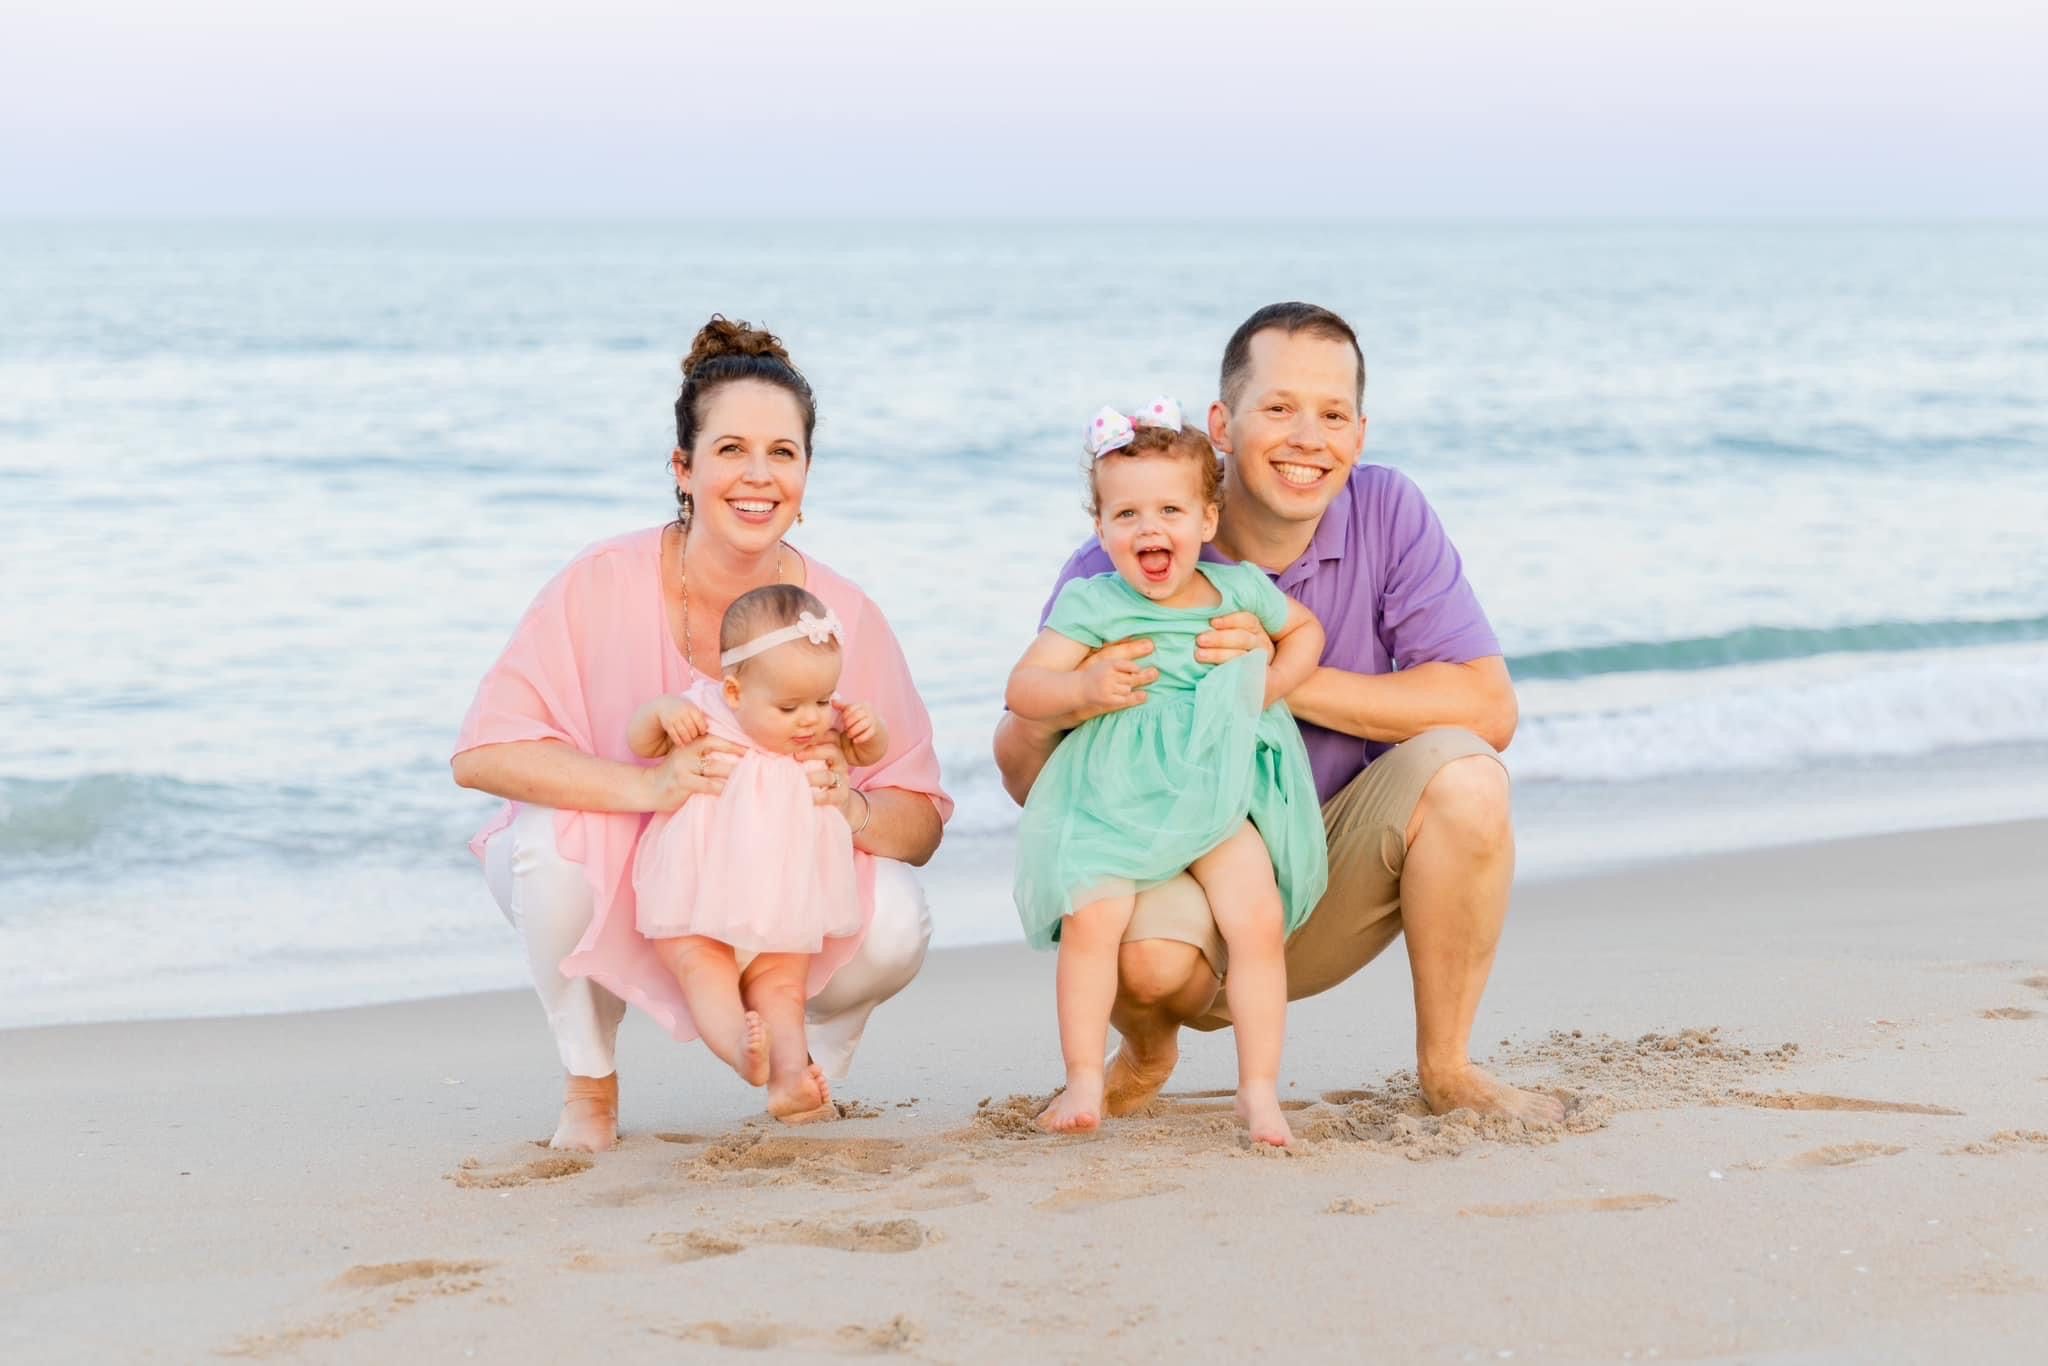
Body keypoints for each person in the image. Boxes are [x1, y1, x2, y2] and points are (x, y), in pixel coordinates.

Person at [992, 302, 1564, 1125]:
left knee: (1470, 778)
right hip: (1182, 865)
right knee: (1142, 955)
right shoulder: (1122, 566)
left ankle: (1448, 1068)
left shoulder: (1387, 511)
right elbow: (1023, 777)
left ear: (1360, 435)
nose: (1307, 438)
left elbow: (1488, 706)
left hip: (1331, 864)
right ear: (1222, 423)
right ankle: (1147, 1051)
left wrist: (1271, 675)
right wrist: (1080, 694)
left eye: (1333, 415)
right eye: (1279, 408)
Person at [453, 316, 951, 1151]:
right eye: (730, 451)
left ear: (807, 474)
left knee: (900, 916)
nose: (758, 477)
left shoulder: (842, 616)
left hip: (777, 889)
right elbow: (484, 754)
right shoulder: (599, 581)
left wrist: (851, 805)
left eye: (783, 453)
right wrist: (648, 786)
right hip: (636, 875)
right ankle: (590, 1083)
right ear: (683, 469)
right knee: (544, 845)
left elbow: (922, 819)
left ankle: (807, 1071)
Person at [1006, 400, 1327, 1146]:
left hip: (1218, 792)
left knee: (1256, 919)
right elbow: (1023, 689)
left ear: (1208, 521)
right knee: (1095, 919)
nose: (1150, 529)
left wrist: (1270, 684)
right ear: (1101, 530)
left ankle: (1257, 1090)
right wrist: (1082, 690)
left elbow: (1306, 629)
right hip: (1117, 796)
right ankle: (1086, 1075)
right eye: (1127, 515)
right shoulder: (1094, 605)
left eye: (1170, 510)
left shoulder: (1241, 591)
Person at [629, 584, 890, 1123]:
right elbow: (642, 743)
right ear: (733, 691)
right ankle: (742, 1053)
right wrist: (660, 715)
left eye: (822, 701)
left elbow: (865, 753)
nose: (810, 720)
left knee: (782, 988)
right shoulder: (704, 712)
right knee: (704, 968)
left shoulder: (822, 729)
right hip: (696, 893)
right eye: (790, 706)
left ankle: (790, 1079)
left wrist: (868, 734)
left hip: (784, 899)